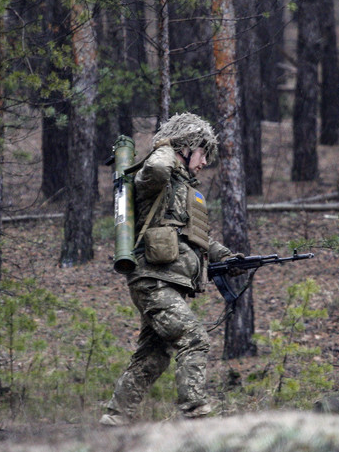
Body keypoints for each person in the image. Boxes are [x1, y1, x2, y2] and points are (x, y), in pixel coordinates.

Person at [100, 113, 241, 426]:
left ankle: (114, 420)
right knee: (194, 338)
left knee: (153, 355)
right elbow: (156, 167)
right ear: (188, 146)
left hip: (168, 281)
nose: (205, 162)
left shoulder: (184, 189)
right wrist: (168, 146)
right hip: (153, 280)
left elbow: (195, 237)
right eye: (202, 153)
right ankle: (196, 417)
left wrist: (226, 256)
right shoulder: (157, 173)